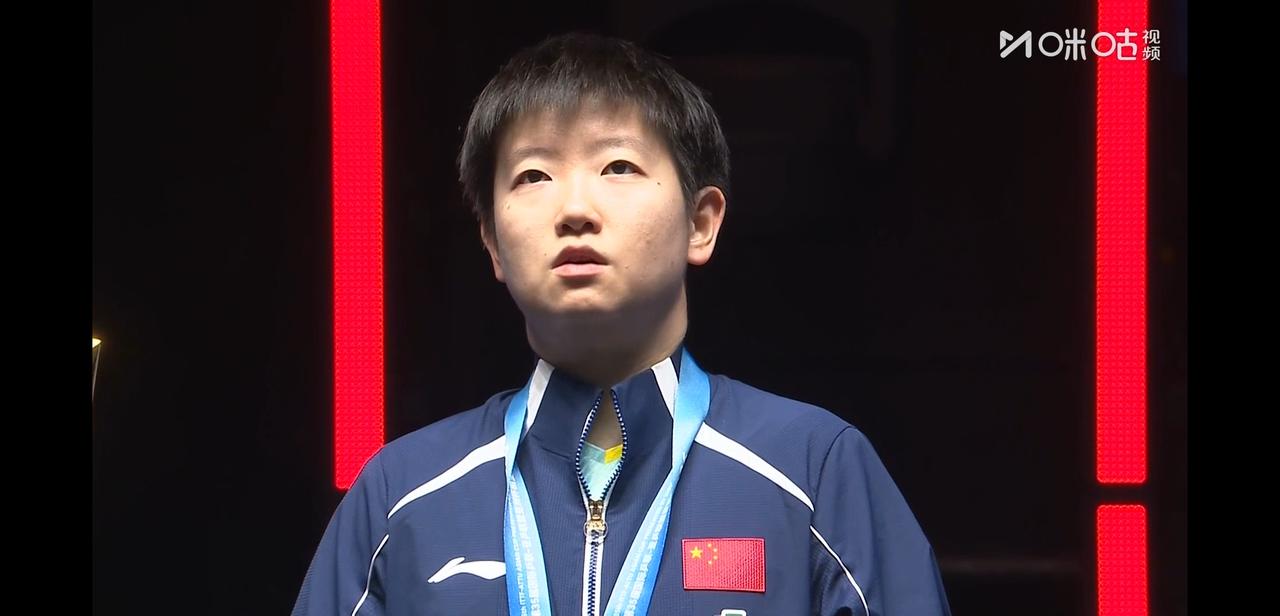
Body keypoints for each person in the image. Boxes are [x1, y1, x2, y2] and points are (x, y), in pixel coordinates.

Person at [292, 32, 952, 616]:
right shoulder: (400, 495)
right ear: (492, 243)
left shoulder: (814, 470)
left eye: (617, 166)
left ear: (701, 223)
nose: (574, 209)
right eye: (533, 175)